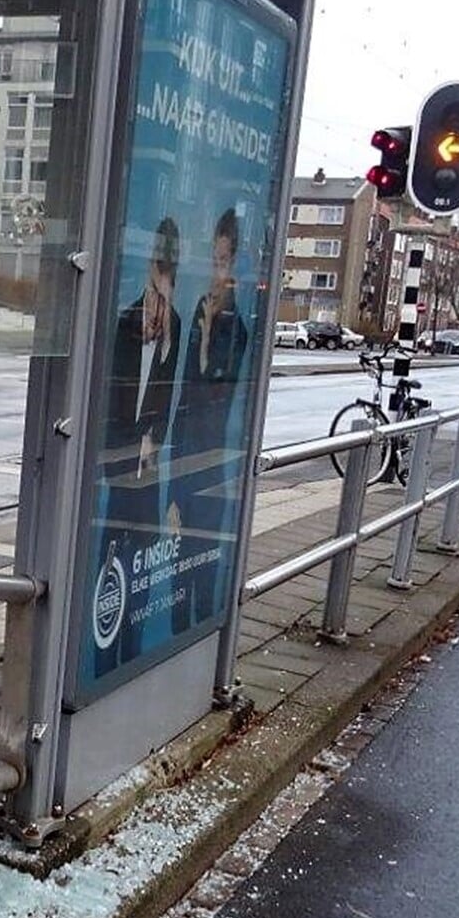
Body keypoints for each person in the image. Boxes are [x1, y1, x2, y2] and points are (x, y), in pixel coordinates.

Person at [96, 216, 181, 673]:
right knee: (113, 547)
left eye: (169, 270)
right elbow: (113, 393)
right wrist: (126, 445)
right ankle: (105, 647)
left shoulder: (177, 324)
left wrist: (155, 437)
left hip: (150, 463)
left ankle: (132, 643)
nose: (163, 278)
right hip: (121, 456)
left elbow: (165, 395)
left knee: (145, 550)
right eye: (157, 266)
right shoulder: (128, 320)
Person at [170, 208, 250, 633]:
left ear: (234, 263)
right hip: (187, 449)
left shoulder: (235, 319)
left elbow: (219, 387)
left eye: (223, 262)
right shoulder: (204, 306)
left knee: (203, 553)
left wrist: (203, 343)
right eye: (213, 261)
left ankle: (201, 629)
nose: (216, 271)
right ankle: (182, 628)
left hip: (215, 456)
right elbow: (186, 388)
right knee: (181, 554)